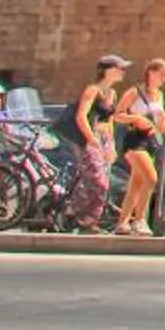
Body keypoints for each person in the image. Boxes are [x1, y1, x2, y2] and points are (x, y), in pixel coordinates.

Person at [111, 57, 165, 237]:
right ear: (151, 73)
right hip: (135, 140)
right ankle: (140, 220)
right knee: (151, 179)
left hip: (150, 140)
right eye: (162, 75)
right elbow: (117, 115)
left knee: (136, 184)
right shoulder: (134, 92)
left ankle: (122, 223)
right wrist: (136, 118)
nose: (164, 79)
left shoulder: (159, 96)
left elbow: (162, 122)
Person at [68, 55, 125, 232]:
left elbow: (110, 121)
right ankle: (85, 218)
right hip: (88, 138)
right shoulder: (92, 90)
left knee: (99, 179)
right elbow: (81, 115)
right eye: (119, 68)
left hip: (104, 139)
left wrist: (112, 145)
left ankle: (79, 215)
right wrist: (91, 138)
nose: (122, 72)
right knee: (99, 182)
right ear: (107, 71)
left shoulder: (112, 94)